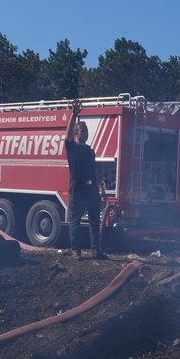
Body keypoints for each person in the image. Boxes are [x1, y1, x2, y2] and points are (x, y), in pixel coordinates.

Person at [65, 99, 107, 260]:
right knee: (75, 219)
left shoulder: (90, 151)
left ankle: (96, 250)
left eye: (87, 131)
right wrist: (74, 114)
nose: (86, 134)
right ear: (76, 134)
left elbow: (95, 170)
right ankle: (76, 250)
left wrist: (101, 188)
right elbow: (67, 135)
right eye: (82, 131)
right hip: (78, 188)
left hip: (92, 189)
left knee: (94, 221)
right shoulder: (71, 148)